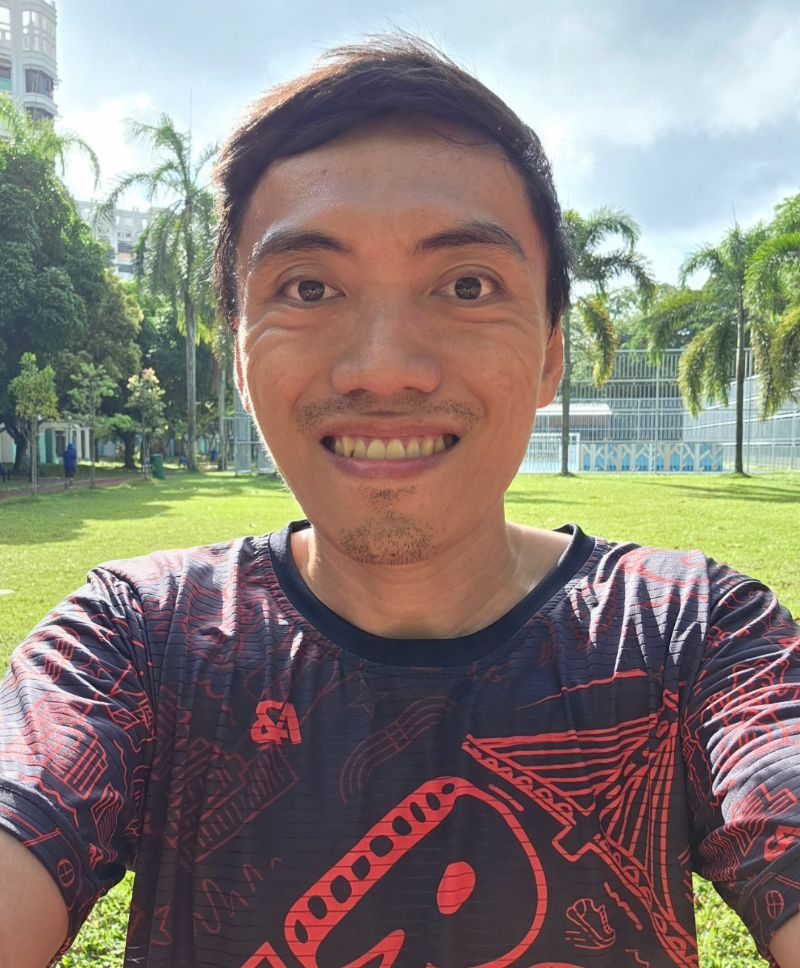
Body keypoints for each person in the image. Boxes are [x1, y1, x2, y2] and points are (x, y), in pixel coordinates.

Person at [1, 37, 799, 968]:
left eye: (467, 285)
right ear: (239, 358)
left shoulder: (691, 636)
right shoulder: (133, 641)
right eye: (309, 288)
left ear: (551, 353)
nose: (383, 369)